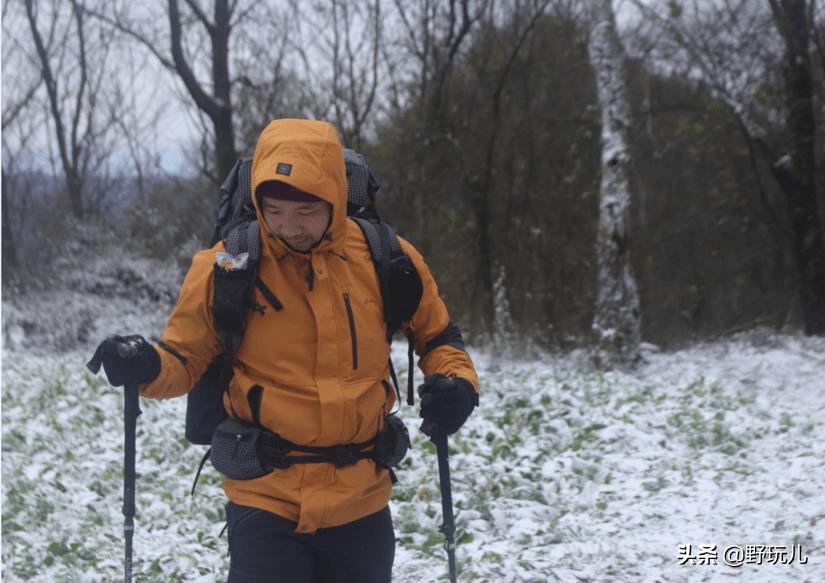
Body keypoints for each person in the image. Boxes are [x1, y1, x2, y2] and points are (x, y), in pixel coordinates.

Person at [92, 118, 479, 582]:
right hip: (266, 500)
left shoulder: (386, 258)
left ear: (335, 199)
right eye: (273, 210)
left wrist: (458, 385)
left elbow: (437, 336)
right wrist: (144, 365)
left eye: (306, 212)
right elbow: (183, 358)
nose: (288, 226)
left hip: (361, 501)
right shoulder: (227, 266)